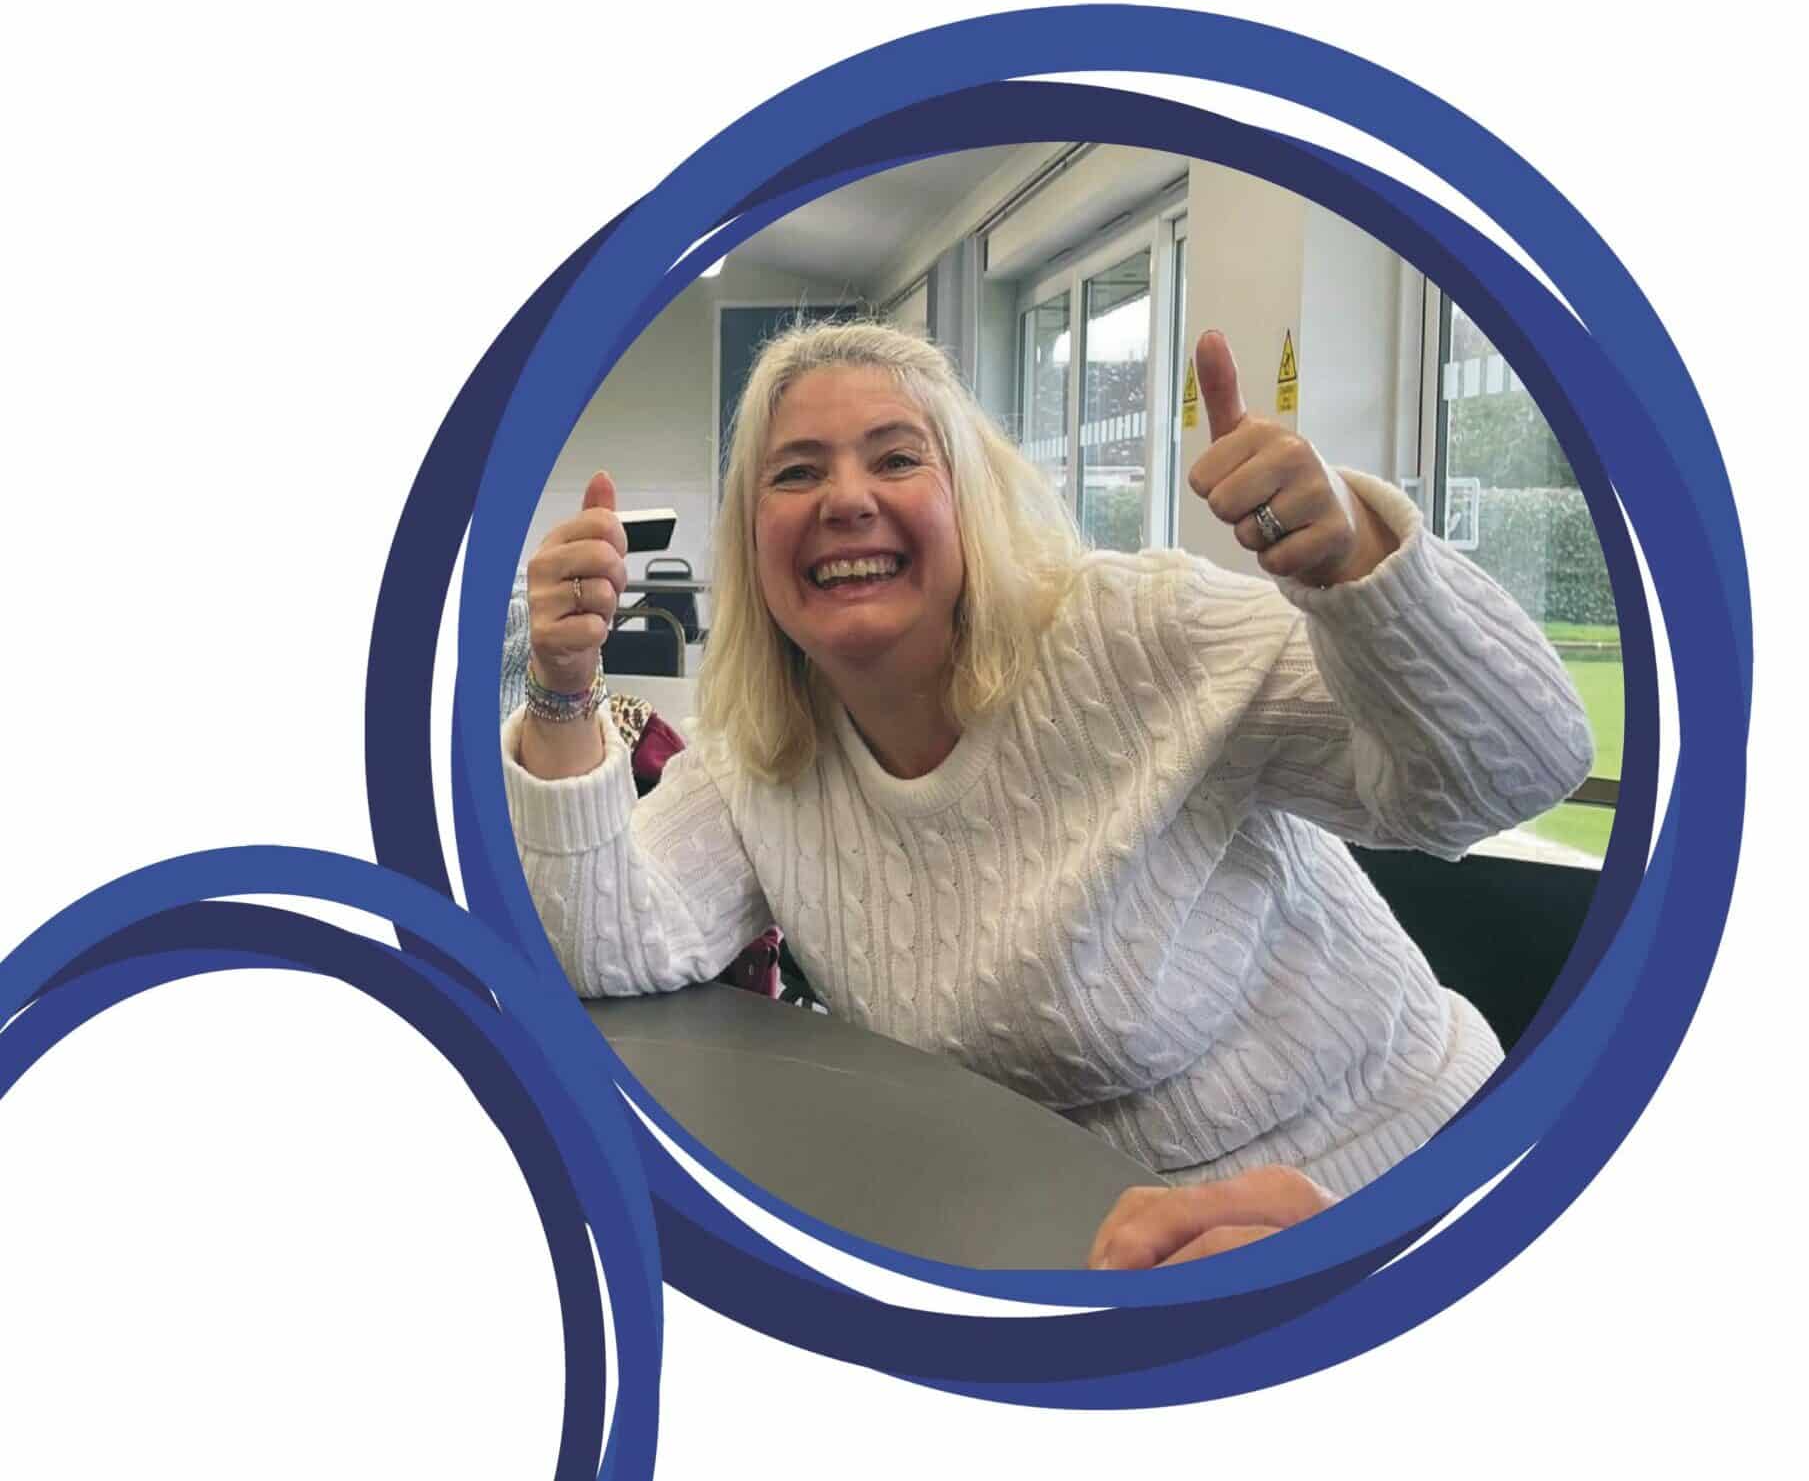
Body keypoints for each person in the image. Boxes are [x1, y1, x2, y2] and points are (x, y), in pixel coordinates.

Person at [503, 319, 1593, 1267]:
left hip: (1394, 1194)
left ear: (968, 504)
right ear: (754, 539)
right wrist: (562, 691)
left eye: (895, 457)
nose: (844, 500)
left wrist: (1355, 559)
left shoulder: (1133, 635)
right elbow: (605, 945)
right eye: (794, 473)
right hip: (1081, 1241)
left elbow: (1510, 771)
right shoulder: (761, 759)